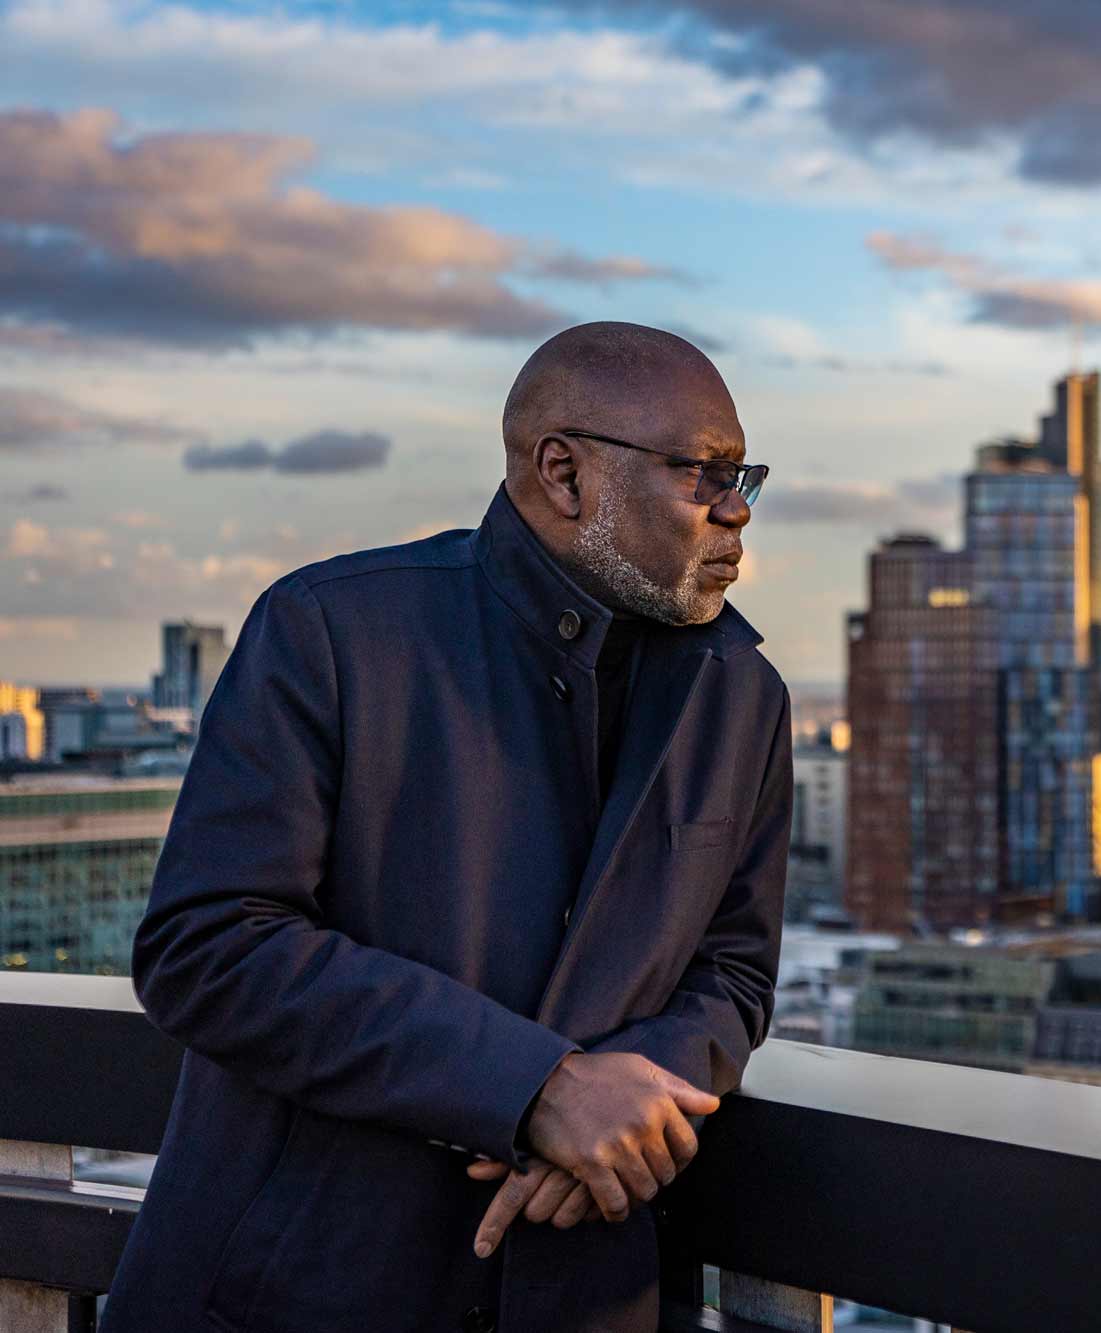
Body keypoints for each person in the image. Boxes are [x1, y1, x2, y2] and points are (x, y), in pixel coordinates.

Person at [102, 323, 791, 1333]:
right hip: (307, 1291)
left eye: (746, 477)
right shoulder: (332, 630)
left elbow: (733, 969)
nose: (736, 511)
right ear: (564, 473)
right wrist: (533, 1090)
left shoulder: (744, 696)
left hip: (585, 1291)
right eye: (703, 474)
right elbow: (208, 945)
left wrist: (631, 1109)